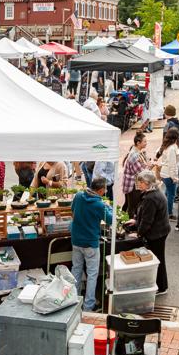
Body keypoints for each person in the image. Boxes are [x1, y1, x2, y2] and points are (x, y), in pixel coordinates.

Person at [70, 177, 113, 311]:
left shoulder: (78, 195)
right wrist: (108, 207)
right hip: (90, 243)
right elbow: (111, 220)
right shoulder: (99, 204)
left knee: (76, 270)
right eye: (105, 189)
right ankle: (88, 306)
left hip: (76, 240)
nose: (105, 191)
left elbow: (72, 210)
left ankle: (74, 301)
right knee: (92, 274)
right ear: (100, 190)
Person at [125, 171, 170, 295]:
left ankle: (161, 287)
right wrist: (136, 221)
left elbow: (147, 220)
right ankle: (159, 284)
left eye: (140, 182)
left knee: (157, 259)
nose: (138, 184)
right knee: (158, 258)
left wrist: (139, 233)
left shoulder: (151, 198)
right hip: (160, 230)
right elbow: (146, 216)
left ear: (146, 183)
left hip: (157, 233)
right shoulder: (152, 193)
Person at [121, 132, 150, 219]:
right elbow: (140, 172)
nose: (146, 143)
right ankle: (129, 225)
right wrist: (150, 167)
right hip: (133, 184)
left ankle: (122, 221)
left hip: (130, 183)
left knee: (128, 204)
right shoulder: (134, 155)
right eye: (144, 141)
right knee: (132, 206)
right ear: (138, 143)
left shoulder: (136, 152)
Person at [156, 129, 179, 220]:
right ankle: (169, 213)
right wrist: (174, 177)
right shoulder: (172, 148)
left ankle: (164, 211)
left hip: (165, 173)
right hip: (169, 175)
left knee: (167, 193)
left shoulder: (168, 147)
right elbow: (172, 165)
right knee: (171, 195)